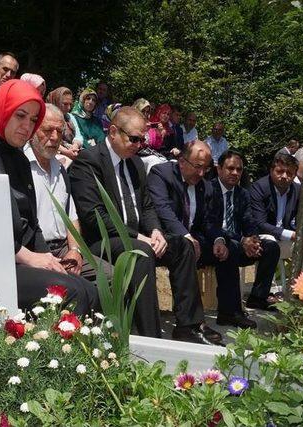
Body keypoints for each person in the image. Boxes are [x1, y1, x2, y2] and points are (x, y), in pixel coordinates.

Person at [69, 107, 222, 344]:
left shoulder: (136, 164)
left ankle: (189, 325)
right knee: (142, 252)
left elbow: (148, 207)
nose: (140, 144)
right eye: (134, 138)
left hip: (139, 236)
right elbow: (94, 216)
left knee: (182, 245)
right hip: (102, 241)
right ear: (112, 132)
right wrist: (140, 237)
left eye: (143, 139)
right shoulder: (88, 162)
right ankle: (150, 335)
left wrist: (156, 231)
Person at [0, 79, 98, 315]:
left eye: (32, 119)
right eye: (20, 115)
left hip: (22, 257)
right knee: (71, 291)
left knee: (89, 289)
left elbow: (31, 223)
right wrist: (29, 257)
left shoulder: (17, 158)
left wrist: (46, 258)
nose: (26, 126)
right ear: (3, 109)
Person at [147, 142, 259, 327]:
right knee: (187, 248)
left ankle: (230, 312)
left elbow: (209, 221)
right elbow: (163, 210)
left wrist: (218, 240)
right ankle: (192, 323)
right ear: (182, 161)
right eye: (197, 167)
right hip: (164, 240)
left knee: (228, 248)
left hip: (194, 241)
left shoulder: (204, 186)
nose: (201, 173)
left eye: (205, 169)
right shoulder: (161, 174)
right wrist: (186, 237)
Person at [25, 103, 113, 281]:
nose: (55, 137)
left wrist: (75, 250)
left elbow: (71, 217)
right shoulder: (21, 166)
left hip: (65, 248)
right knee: (72, 289)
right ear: (33, 130)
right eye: (48, 130)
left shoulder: (61, 169)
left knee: (111, 276)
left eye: (60, 131)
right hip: (34, 251)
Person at [211, 150, 281, 311]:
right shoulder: (209, 190)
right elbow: (212, 225)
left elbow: (249, 222)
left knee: (270, 247)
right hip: (216, 241)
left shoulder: (242, 193)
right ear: (219, 169)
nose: (235, 173)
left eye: (239, 170)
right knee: (233, 246)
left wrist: (254, 241)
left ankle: (258, 298)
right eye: (230, 168)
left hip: (240, 242)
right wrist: (243, 240)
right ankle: (232, 310)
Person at [251, 153, 303, 272]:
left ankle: (301, 285)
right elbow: (260, 224)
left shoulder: (298, 190)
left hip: (286, 239)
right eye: (279, 171)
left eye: (289, 173)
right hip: (262, 239)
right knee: (270, 242)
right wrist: (293, 235)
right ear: (271, 170)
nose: (284, 176)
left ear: (294, 175)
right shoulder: (259, 188)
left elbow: (301, 220)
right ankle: (267, 289)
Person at [46, 86, 81, 163]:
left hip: (72, 149)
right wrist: (66, 152)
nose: (68, 108)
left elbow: (79, 136)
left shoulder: (70, 117)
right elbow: (48, 138)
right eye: (65, 104)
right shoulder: (47, 116)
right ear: (56, 101)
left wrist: (75, 146)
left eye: (70, 104)